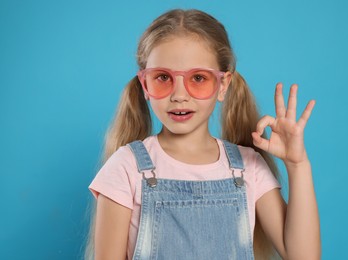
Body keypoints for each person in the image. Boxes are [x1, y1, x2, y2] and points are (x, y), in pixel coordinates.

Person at [86, 8, 321, 260]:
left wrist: (298, 165)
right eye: (163, 77)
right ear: (145, 84)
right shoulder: (126, 167)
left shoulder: (248, 167)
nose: (179, 95)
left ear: (223, 85)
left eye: (198, 78)